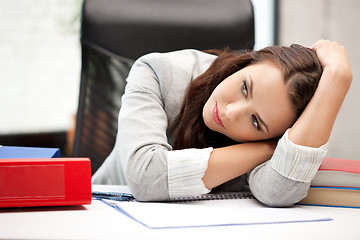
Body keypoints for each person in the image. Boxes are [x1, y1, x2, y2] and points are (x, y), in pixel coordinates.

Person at [92, 40, 352, 207]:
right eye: (244, 88)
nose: (230, 112)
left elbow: (277, 193)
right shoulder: (158, 71)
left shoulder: (275, 126)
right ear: (247, 61)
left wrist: (336, 83)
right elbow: (145, 176)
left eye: (255, 121)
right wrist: (269, 148)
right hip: (104, 209)